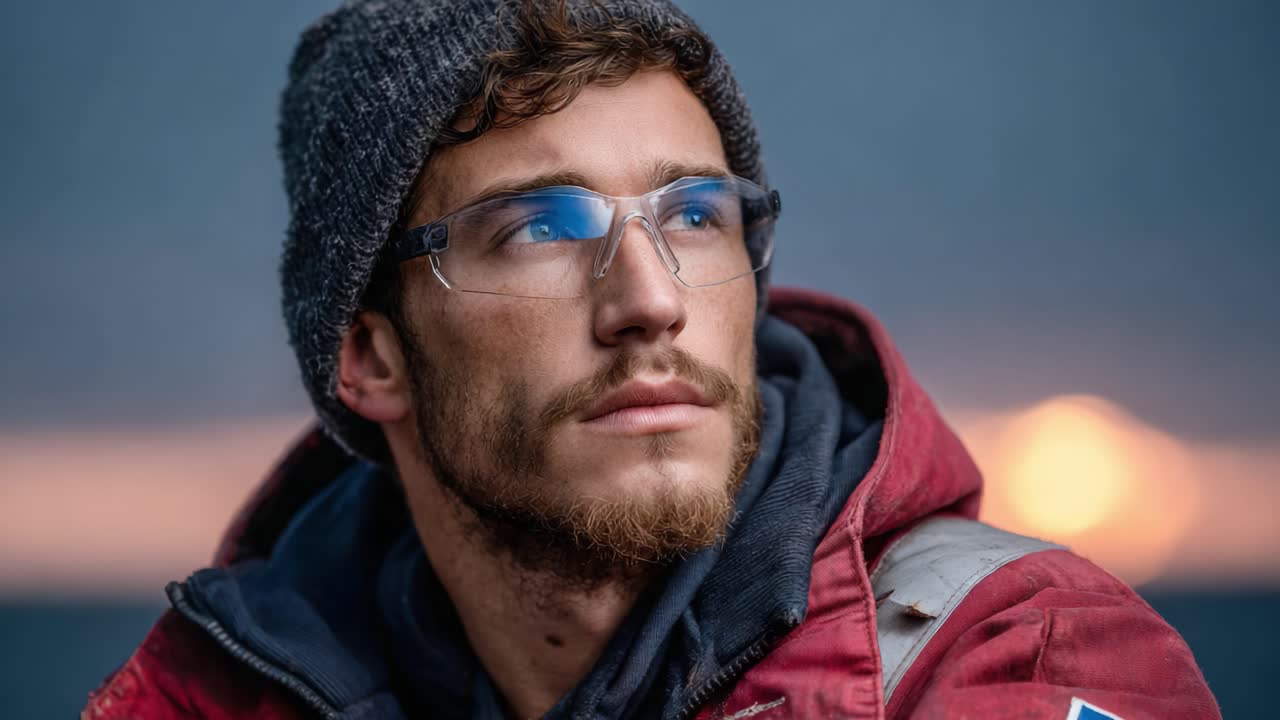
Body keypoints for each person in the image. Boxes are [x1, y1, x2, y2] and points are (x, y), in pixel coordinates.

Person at [84, 1, 1219, 718]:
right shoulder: (215, 694)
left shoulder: (1017, 660)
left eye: (691, 216)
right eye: (539, 225)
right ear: (369, 356)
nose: (648, 301)